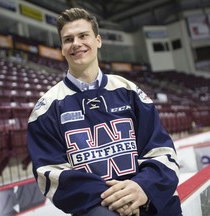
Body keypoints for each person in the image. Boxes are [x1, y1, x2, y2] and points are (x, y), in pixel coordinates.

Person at [27, 7, 182, 216]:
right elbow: (50, 173)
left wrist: (142, 188)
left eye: (83, 36)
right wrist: (115, 198)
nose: (76, 44)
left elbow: (161, 151)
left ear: (98, 40)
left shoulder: (129, 91)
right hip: (100, 209)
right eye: (68, 39)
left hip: (150, 202)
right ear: (62, 49)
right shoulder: (46, 109)